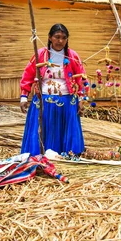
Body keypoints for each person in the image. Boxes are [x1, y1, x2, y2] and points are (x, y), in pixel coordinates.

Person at [20, 24, 87, 156]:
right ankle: (39, 156)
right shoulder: (39, 55)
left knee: (65, 131)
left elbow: (82, 79)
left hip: (67, 103)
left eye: (63, 38)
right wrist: (23, 96)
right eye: (57, 37)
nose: (60, 41)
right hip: (43, 101)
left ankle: (67, 156)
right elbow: (28, 75)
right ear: (50, 38)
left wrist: (82, 98)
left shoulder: (73, 57)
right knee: (42, 130)